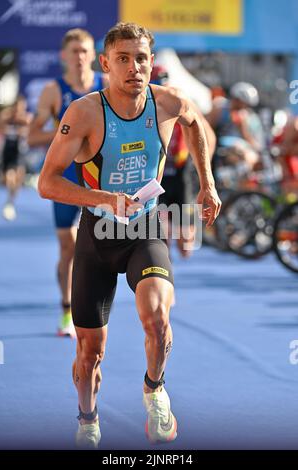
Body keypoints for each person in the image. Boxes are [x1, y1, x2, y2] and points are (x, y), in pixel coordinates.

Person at [38, 22, 221, 449]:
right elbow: (47, 183)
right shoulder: (84, 113)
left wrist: (207, 183)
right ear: (106, 64)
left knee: (157, 318)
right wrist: (103, 198)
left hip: (147, 228)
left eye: (141, 58)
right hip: (97, 234)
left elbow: (194, 125)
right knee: (90, 352)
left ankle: (155, 389)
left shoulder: (168, 102)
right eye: (123, 58)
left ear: (152, 63)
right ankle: (87, 418)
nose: (134, 67)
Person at [28, 28, 107, 338]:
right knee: (68, 246)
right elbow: (33, 136)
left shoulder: (106, 86)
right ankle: (66, 309)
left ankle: (95, 306)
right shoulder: (53, 90)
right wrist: (69, 133)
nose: (80, 57)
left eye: (85, 50)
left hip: (98, 176)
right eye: (74, 51)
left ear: (95, 56)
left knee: (102, 244)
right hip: (66, 178)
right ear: (64, 55)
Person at [151, 65, 216, 257]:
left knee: (186, 244)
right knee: (162, 233)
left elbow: (208, 136)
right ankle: (163, 268)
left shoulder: (180, 101)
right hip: (158, 173)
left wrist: (203, 168)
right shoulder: (143, 102)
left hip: (182, 172)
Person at [207, 81, 265, 173]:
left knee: (250, 157)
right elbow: (207, 128)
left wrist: (242, 128)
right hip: (219, 147)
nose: (242, 106)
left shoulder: (251, 118)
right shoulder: (219, 108)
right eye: (238, 101)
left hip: (242, 151)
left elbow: (256, 145)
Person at [0, 95, 32, 221]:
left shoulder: (26, 118)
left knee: (18, 180)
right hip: (8, 151)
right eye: (17, 107)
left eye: (21, 107)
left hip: (20, 152)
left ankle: (10, 201)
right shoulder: (7, 117)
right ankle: (9, 202)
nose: (19, 110)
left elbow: (29, 128)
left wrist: (22, 129)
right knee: (9, 177)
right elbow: (1, 125)